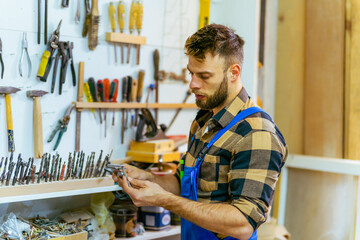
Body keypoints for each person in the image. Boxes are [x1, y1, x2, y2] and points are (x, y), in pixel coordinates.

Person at [113, 24, 288, 240]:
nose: (192, 84)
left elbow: (243, 223)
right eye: (191, 73)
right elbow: (183, 182)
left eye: (204, 76)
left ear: (234, 72)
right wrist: (147, 178)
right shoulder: (203, 121)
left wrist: (163, 200)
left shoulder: (256, 133)